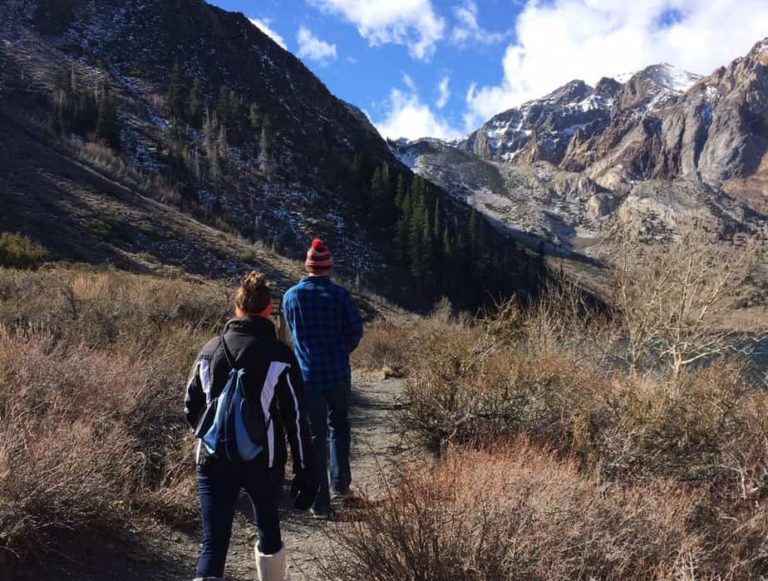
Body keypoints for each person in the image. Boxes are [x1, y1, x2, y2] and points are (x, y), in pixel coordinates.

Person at [185, 272, 316, 581]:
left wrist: (219, 433)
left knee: (213, 543)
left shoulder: (209, 350)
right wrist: (304, 470)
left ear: (237, 307)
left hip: (212, 457)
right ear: (269, 309)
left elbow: (191, 408)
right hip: (262, 458)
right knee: (268, 531)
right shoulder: (279, 356)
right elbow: (296, 418)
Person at [282, 239, 364, 519]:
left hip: (307, 376)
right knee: (339, 426)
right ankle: (341, 483)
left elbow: (291, 332)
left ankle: (321, 504)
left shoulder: (291, 296)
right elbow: (355, 332)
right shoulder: (341, 296)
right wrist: (341, 351)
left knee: (315, 436)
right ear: (329, 267)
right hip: (338, 373)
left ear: (307, 266)